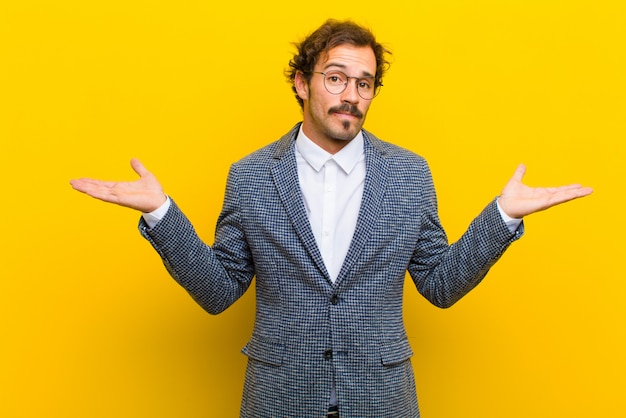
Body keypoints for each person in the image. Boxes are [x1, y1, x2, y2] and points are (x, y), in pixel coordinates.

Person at [70, 19, 592, 418]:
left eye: (364, 84)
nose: (351, 96)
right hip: (280, 398)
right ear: (302, 83)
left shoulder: (410, 173)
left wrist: (500, 217)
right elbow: (218, 291)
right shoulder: (251, 175)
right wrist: (162, 215)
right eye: (337, 78)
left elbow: (441, 283)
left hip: (382, 399)